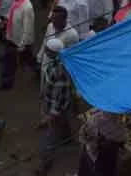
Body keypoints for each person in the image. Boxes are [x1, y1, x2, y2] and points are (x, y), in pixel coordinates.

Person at [37, 38, 72, 175]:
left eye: (46, 49)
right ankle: (67, 137)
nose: (44, 50)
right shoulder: (59, 62)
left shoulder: (57, 69)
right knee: (63, 121)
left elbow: (58, 93)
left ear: (52, 52)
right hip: (62, 103)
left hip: (56, 105)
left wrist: (52, 113)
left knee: (50, 137)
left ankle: (45, 163)